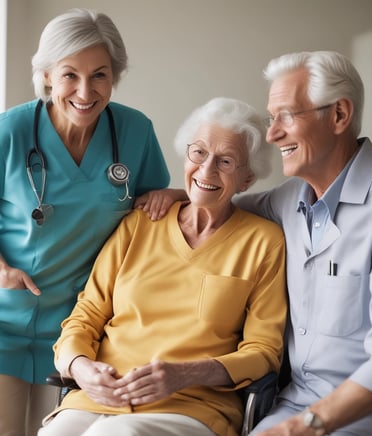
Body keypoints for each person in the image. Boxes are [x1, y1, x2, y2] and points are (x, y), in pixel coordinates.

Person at [37, 97, 287, 436]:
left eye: (226, 161)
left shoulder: (263, 242)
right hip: (100, 395)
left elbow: (264, 352)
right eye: (198, 152)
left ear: (247, 179)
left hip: (192, 404)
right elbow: (87, 314)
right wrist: (80, 367)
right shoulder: (140, 224)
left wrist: (185, 374)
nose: (207, 170)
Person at [0, 8, 175, 436]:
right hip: (3, 322)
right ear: (45, 76)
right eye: (69, 75)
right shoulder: (10, 131)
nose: (85, 90)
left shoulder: (134, 131)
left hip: (80, 334)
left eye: (99, 75)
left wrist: (173, 195)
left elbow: (153, 218)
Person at [235, 51, 372, 435]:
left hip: (359, 416)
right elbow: (221, 210)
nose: (271, 134)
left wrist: (307, 425)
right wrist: (178, 195)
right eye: (271, 118)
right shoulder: (289, 198)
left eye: (286, 116)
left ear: (339, 115)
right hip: (293, 403)